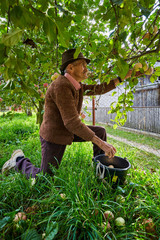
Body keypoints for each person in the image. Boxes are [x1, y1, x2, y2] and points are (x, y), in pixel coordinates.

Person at [2, 49, 134, 179]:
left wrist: (122, 78)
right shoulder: (61, 86)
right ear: (70, 68)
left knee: (100, 131)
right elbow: (72, 122)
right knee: (45, 178)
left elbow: (98, 89)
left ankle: (100, 168)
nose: (86, 69)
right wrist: (101, 144)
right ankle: (18, 160)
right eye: (83, 65)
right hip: (54, 135)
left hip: (68, 130)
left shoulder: (76, 85)